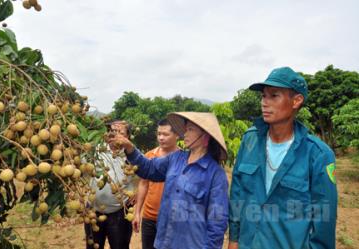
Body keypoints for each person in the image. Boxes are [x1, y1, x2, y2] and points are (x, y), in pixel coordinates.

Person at [228, 67, 338, 249]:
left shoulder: (318, 155)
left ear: (296, 101)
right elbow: (238, 192)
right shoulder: (250, 140)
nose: (264, 102)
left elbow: (323, 222)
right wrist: (234, 238)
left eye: (274, 96)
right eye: (263, 96)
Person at [109, 112, 229, 249]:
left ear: (205, 137)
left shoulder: (215, 175)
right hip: (164, 242)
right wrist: (129, 147)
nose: (185, 133)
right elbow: (148, 168)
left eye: (190, 129)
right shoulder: (176, 159)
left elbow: (217, 222)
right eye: (186, 129)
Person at [85, 120, 136, 249]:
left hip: (119, 213)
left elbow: (144, 178)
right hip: (93, 211)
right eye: (112, 131)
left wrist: (137, 192)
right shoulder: (95, 150)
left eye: (120, 132)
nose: (114, 135)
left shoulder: (133, 155)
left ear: (128, 136)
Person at [132, 119, 179, 249]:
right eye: (159, 134)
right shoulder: (149, 156)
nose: (161, 138)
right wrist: (137, 212)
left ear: (177, 135)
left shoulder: (182, 159)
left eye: (165, 134)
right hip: (149, 217)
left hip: (172, 219)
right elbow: (143, 184)